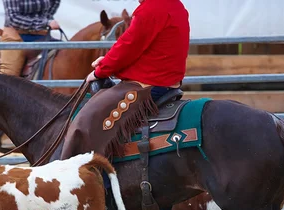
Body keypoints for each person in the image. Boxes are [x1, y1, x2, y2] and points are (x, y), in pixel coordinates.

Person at [60, 0, 190, 160]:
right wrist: (107, 60)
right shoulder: (175, 5)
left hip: (149, 84)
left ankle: (95, 178)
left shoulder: (150, 9)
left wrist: (100, 72)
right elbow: (145, 48)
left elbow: (129, 44)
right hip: (167, 81)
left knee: (88, 119)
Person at [0, 0, 62, 77]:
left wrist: (45, 20)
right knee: (9, 74)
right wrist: (44, 23)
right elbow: (13, 18)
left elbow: (54, 5)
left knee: (65, 56)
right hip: (15, 35)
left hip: (41, 34)